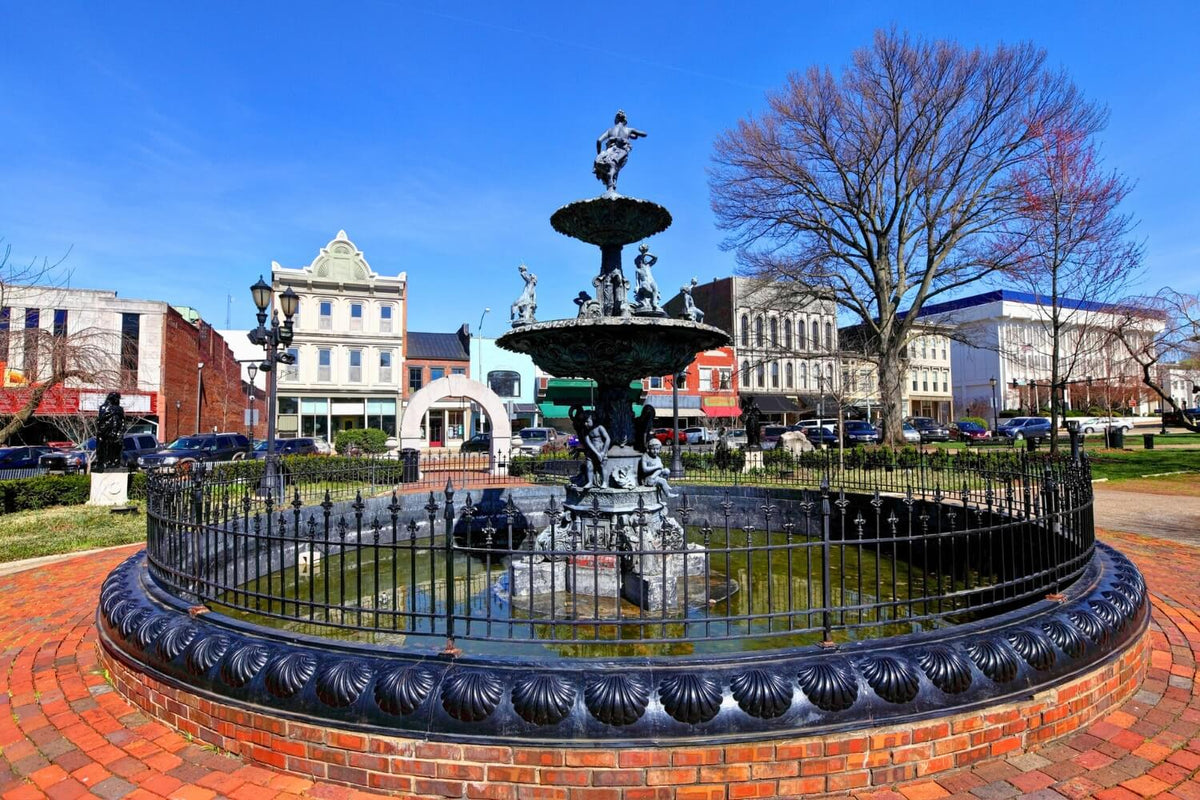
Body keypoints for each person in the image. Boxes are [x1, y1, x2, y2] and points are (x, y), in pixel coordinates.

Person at [594, 110, 647, 194]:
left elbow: (599, 141)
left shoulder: (610, 130)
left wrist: (599, 153)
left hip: (609, 151)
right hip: (621, 151)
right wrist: (635, 134)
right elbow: (644, 134)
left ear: (616, 120)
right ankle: (611, 185)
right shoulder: (628, 130)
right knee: (615, 168)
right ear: (624, 121)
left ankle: (610, 186)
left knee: (610, 167)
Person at [95, 392, 126, 472]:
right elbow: (101, 419)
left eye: (118, 399)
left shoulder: (120, 409)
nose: (117, 400)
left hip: (116, 432)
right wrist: (112, 412)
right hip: (105, 432)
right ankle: (103, 463)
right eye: (116, 398)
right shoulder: (104, 408)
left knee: (116, 448)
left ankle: (115, 462)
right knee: (104, 448)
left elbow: (122, 421)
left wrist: (121, 431)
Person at [632, 244, 661, 314]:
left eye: (641, 260)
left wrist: (646, 253)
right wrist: (637, 287)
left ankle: (654, 303)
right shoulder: (638, 270)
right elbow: (637, 280)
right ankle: (647, 301)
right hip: (644, 282)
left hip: (651, 281)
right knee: (645, 287)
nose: (640, 262)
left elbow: (655, 258)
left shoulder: (648, 265)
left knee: (655, 287)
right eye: (639, 261)